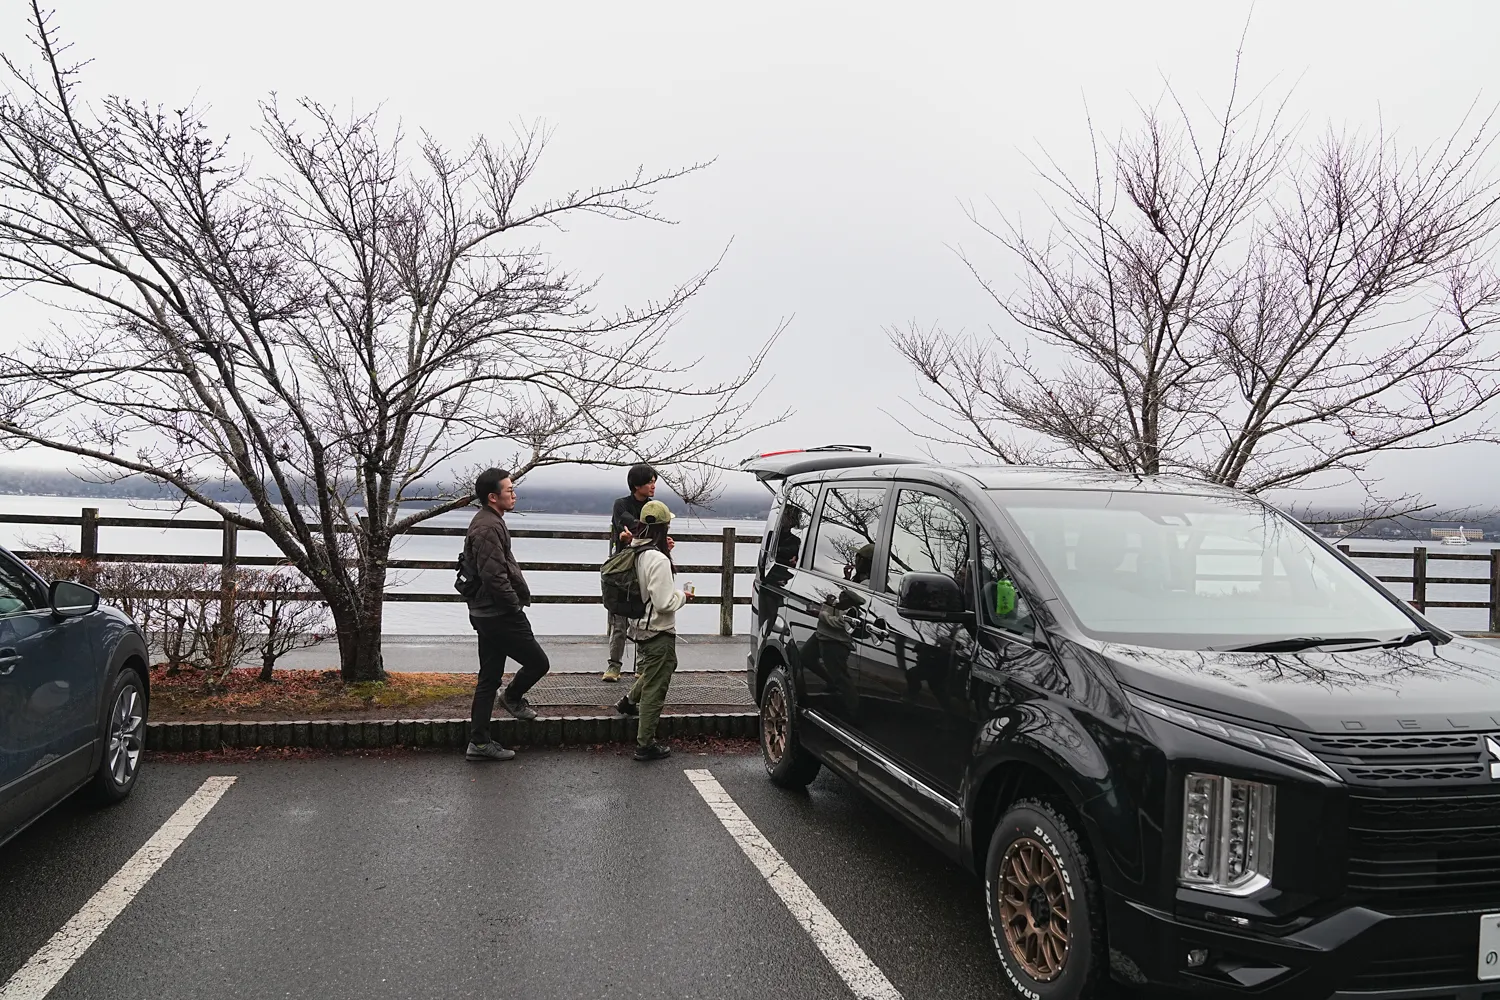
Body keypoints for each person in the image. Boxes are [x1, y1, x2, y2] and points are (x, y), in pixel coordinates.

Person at [462, 468, 552, 762]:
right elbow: (494, 577)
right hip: (498, 613)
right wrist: (514, 605)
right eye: (509, 490)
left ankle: (479, 743)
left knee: (488, 678)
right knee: (538, 663)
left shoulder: (489, 521)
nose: (514, 494)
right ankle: (511, 698)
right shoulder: (488, 527)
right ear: (493, 496)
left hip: (486, 611)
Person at [612, 499, 690, 761]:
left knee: (661, 667)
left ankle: (628, 701)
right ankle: (645, 744)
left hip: (638, 625)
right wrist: (684, 596)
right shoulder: (657, 559)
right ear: (665, 526)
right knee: (657, 685)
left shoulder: (634, 550)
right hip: (657, 628)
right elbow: (664, 603)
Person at [604, 464, 657, 682]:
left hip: (646, 568)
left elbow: (653, 532)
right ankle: (614, 666)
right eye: (649, 482)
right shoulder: (621, 504)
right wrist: (639, 534)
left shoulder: (654, 507)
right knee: (620, 620)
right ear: (636, 485)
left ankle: (642, 667)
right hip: (623, 571)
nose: (653, 486)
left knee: (644, 620)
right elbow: (629, 525)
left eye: (654, 482)